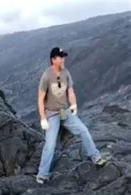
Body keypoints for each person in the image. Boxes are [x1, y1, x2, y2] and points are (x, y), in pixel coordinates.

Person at [36, 47, 108, 184]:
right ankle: (42, 174)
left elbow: (70, 92)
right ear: (53, 60)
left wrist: (73, 105)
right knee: (50, 145)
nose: (63, 59)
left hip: (65, 111)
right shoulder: (46, 76)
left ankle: (96, 158)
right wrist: (43, 118)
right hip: (51, 114)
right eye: (61, 57)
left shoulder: (66, 73)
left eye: (64, 57)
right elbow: (40, 99)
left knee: (83, 130)